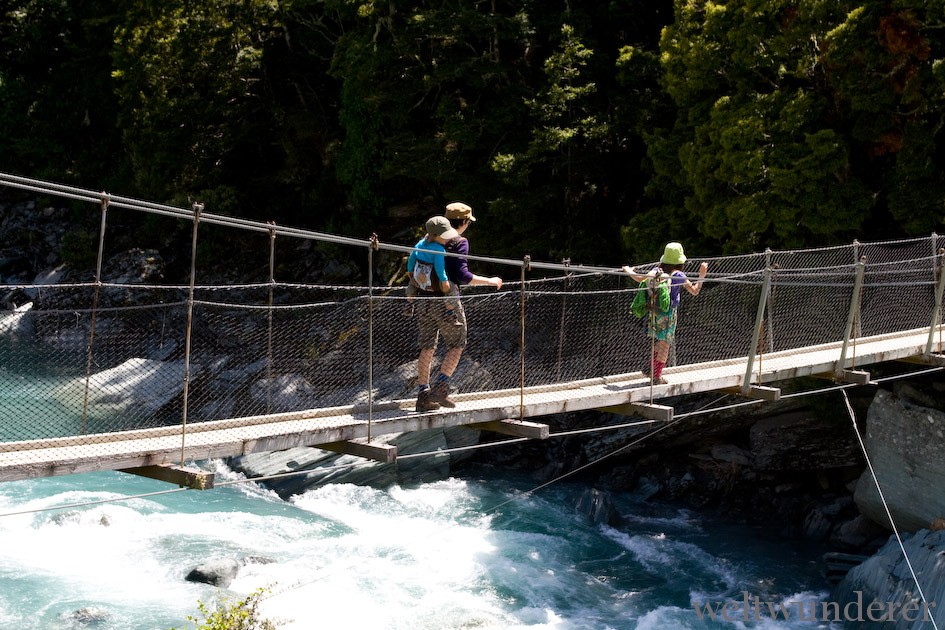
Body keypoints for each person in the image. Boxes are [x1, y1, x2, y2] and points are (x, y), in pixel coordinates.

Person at [414, 202, 503, 412]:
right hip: (446, 303)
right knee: (457, 344)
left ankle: (422, 396)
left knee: (427, 347)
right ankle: (440, 389)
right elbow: (463, 277)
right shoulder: (459, 242)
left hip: (424, 299)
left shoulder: (429, 239)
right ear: (463, 222)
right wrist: (490, 281)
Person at [622, 242, 707, 384]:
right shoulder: (679, 275)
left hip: (655, 312)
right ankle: (656, 376)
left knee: (660, 341)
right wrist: (702, 275)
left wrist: (628, 270)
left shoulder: (656, 271)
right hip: (669, 314)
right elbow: (695, 290)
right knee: (665, 344)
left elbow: (639, 278)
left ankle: (650, 368)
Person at [406, 216, 460, 324]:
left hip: (419, 282)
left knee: (411, 285)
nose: (448, 239)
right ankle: (450, 313)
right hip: (434, 283)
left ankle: (409, 304)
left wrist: (410, 271)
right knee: (453, 289)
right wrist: (444, 280)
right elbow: (440, 268)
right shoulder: (439, 250)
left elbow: (412, 258)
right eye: (445, 236)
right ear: (436, 236)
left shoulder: (420, 244)